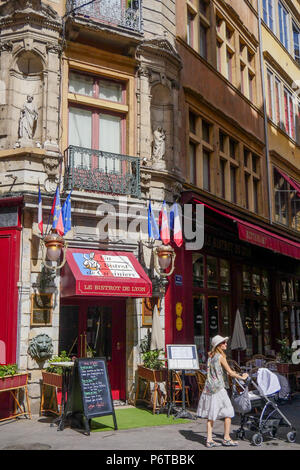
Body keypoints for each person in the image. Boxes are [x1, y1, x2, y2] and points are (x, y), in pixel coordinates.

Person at [197, 334, 248, 448]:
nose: (226, 344)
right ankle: (226, 438)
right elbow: (230, 372)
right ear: (218, 346)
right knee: (229, 411)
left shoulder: (211, 356)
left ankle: (209, 440)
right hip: (219, 388)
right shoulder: (221, 357)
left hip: (209, 388)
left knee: (211, 414)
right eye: (223, 343)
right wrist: (242, 377)